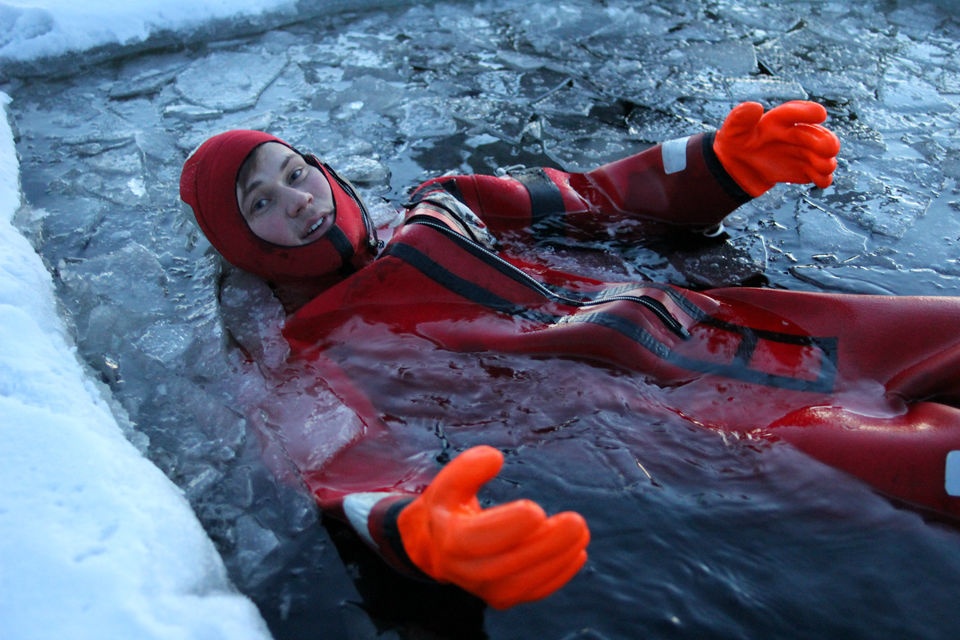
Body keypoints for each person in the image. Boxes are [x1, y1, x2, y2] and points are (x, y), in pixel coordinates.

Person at [180, 101, 960, 610]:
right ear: (242, 244)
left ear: (321, 166)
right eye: (262, 205)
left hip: (757, 326)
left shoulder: (442, 201)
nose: (299, 201)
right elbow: (344, 471)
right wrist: (419, 530)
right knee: (938, 465)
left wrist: (718, 163)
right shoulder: (302, 357)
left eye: (295, 173)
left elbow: (597, 194)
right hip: (683, 419)